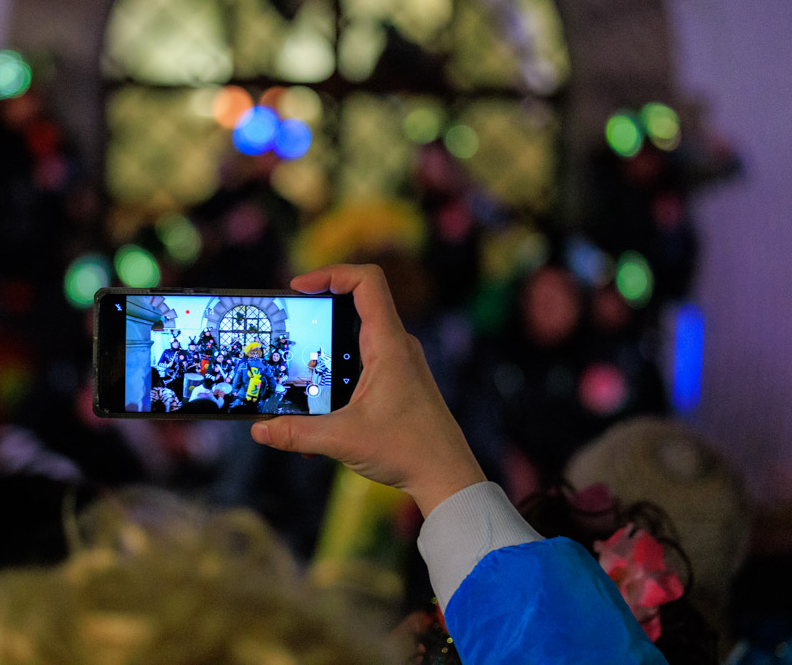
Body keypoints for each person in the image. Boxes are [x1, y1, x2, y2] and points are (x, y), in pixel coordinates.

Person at [252, 263, 667, 664]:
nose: (550, 307)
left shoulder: (590, 371)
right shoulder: (494, 356)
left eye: (560, 298)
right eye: (541, 296)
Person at [229, 341, 276, 414]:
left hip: (243, 395)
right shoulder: (265, 367)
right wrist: (268, 394)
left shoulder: (243, 365)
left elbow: (236, 380)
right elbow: (272, 383)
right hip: (258, 396)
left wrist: (235, 390)